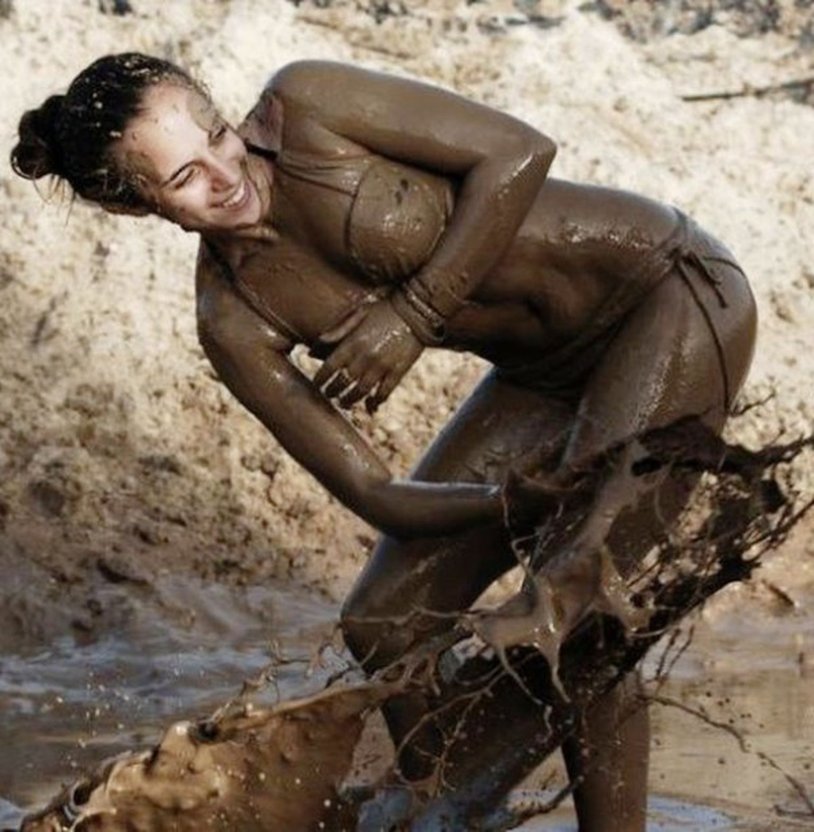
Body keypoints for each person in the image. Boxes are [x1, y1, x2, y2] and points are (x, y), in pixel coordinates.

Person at [12, 53, 757, 831]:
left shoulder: (311, 105)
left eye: (217, 135)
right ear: (139, 208)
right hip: (543, 376)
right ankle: (438, 814)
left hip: (667, 293)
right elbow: (379, 496)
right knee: (385, 619)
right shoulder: (233, 323)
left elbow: (521, 151)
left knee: (572, 591)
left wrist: (415, 315)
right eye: (183, 178)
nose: (224, 173)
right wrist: (507, 501)